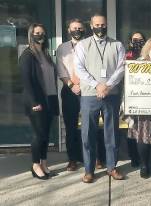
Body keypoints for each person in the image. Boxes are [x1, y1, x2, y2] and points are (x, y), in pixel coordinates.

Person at [74, 14, 125, 183]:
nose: (100, 27)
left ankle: (112, 167)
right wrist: (97, 85)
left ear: (107, 25)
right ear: (91, 25)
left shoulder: (117, 45)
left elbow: (121, 68)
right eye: (97, 24)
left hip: (111, 95)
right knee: (88, 134)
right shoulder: (82, 45)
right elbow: (79, 69)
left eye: (103, 24)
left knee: (111, 133)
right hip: (90, 95)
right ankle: (89, 170)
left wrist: (108, 86)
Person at [19, 23, 59, 180]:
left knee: (46, 135)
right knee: (39, 134)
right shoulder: (27, 55)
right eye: (36, 33)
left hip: (49, 99)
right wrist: (34, 102)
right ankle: (35, 165)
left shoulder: (45, 54)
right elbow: (27, 81)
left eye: (42, 33)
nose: (40, 35)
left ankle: (43, 162)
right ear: (31, 35)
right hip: (36, 101)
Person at [125, 37, 151, 179]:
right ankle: (143, 165)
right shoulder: (138, 64)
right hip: (142, 108)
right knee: (142, 139)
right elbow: (129, 85)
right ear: (146, 51)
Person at [56, 18, 85, 171]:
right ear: (69, 30)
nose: (77, 31)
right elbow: (61, 70)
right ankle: (72, 159)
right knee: (71, 127)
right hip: (69, 91)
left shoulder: (90, 45)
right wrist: (72, 85)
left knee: (90, 125)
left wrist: (84, 85)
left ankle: (93, 157)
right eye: (74, 28)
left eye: (80, 28)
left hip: (88, 90)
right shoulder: (62, 48)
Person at [124, 31, 146, 168]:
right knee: (132, 127)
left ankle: (144, 156)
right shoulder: (127, 55)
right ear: (131, 41)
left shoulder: (148, 55)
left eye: (141, 39)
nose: (138, 41)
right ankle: (134, 157)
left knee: (144, 128)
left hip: (145, 96)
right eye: (135, 39)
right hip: (130, 96)